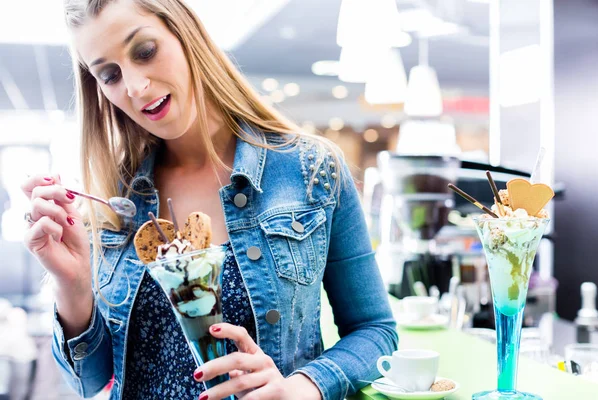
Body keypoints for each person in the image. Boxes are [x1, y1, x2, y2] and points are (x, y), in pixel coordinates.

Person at [20, 0, 398, 399]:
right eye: (110, 75)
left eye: (144, 52)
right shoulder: (112, 197)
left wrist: (301, 387)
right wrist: (73, 286)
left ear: (186, 34)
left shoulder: (310, 170)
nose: (134, 86)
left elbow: (376, 332)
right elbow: (90, 381)